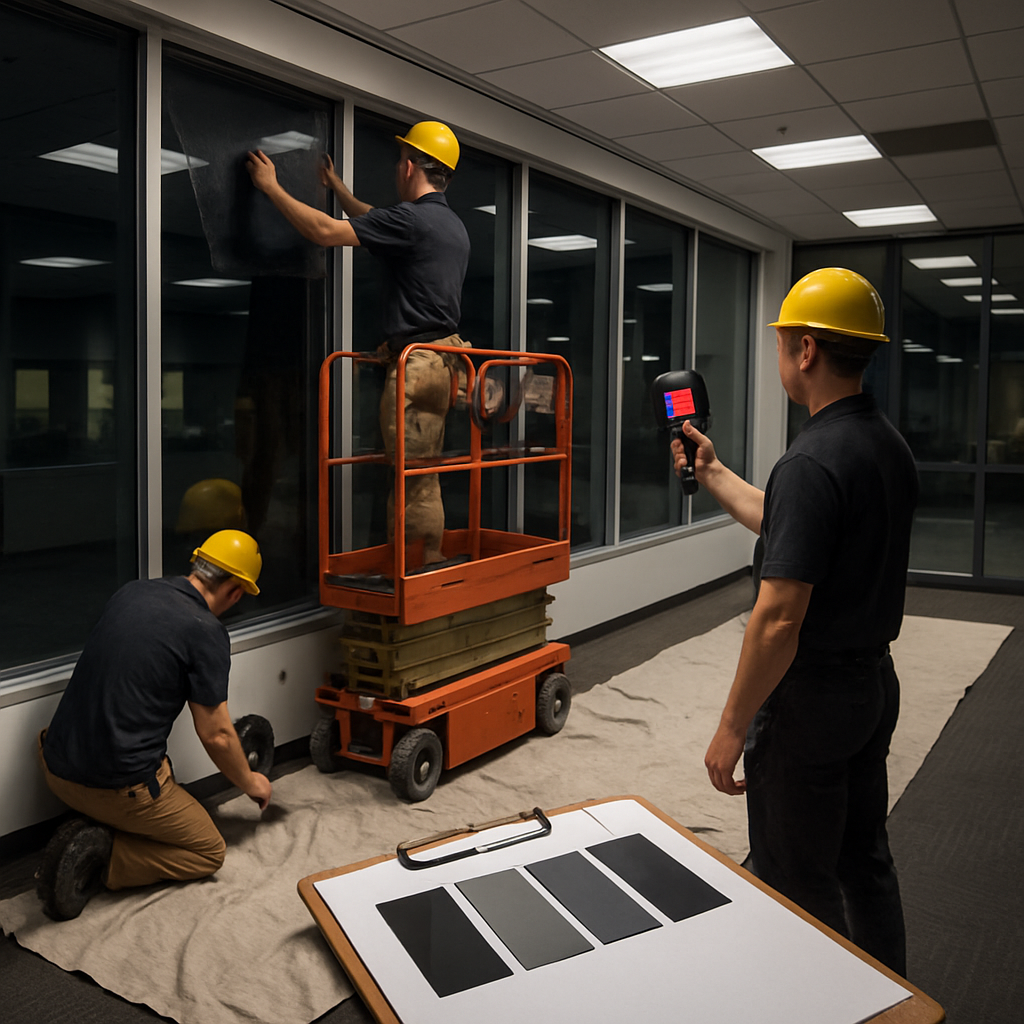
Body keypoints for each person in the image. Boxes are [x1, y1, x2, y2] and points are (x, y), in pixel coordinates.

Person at [673, 267, 918, 975]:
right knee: (862, 856)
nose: (781, 352)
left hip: (810, 700)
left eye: (782, 341)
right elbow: (794, 530)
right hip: (872, 686)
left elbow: (778, 618)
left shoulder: (812, 460)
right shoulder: (885, 446)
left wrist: (730, 726)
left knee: (794, 876)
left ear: (805, 350)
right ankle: (894, 1002)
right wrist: (714, 474)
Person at [245, 121, 471, 567]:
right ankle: (424, 562)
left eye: (397, 161)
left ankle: (412, 571)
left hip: (418, 363)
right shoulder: (447, 225)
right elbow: (373, 219)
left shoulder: (412, 220)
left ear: (408, 166)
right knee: (423, 475)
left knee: (412, 479)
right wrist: (337, 187)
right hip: (443, 359)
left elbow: (328, 232)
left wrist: (270, 187)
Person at [37, 530, 272, 920]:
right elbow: (215, 733)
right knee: (207, 851)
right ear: (235, 592)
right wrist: (250, 782)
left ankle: (111, 818)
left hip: (54, 763)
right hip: (113, 787)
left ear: (198, 564)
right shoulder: (205, 632)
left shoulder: (134, 592)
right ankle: (102, 858)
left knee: (161, 770)